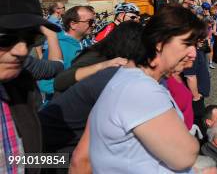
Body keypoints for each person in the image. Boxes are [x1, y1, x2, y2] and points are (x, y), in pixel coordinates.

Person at [76, 6, 203, 173]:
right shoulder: (140, 89)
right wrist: (192, 140)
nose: (193, 53)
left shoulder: (143, 80)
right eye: (187, 43)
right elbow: (185, 156)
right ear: (160, 43)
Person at [39, 22, 145, 155]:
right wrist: (103, 65)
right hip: (55, 138)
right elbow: (60, 81)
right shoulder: (97, 56)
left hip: (74, 135)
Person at [0, 0, 62, 173]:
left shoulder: (20, 81)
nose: (21, 51)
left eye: (30, 39)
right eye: (5, 39)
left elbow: (16, 157)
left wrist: (65, 160)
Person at [38, 5, 95, 102]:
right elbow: (46, 85)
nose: (93, 25)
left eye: (94, 21)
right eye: (90, 22)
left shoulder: (87, 43)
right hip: (61, 108)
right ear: (73, 24)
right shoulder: (58, 47)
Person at [184, 33, 211, 140]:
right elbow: (190, 76)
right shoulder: (191, 52)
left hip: (198, 93)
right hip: (195, 96)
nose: (205, 39)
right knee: (199, 122)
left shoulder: (196, 49)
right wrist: (196, 96)